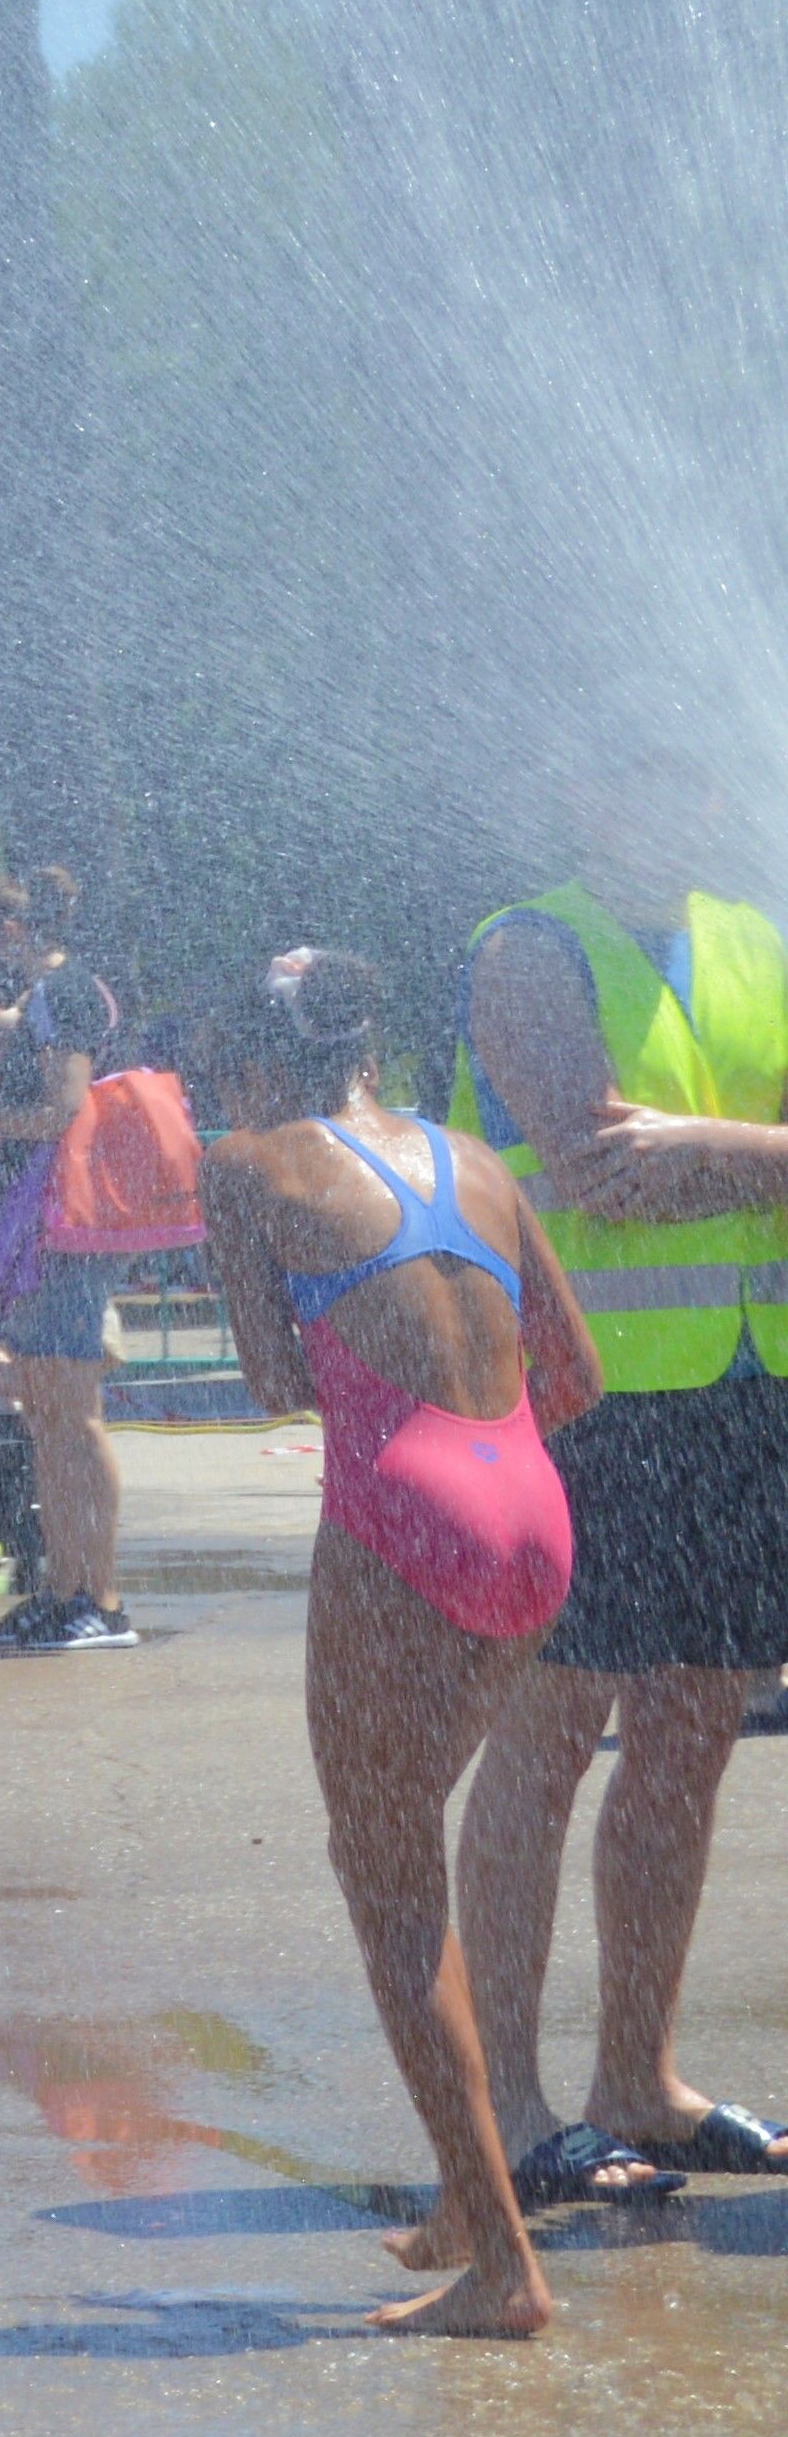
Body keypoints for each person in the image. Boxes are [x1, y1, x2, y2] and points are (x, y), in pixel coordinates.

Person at [196, 945, 593, 2336]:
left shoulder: (246, 1163)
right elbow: (578, 1370)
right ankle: (464, 2193)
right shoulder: (475, 1154)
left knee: (386, 1885)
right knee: (407, 1838)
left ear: (253, 1058)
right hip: (533, 1514)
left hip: (401, 1503)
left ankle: (503, 2267)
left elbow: (262, 1377)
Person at [446, 849, 788, 2210]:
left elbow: (674, 1162)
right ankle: (512, 2102)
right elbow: (601, 1173)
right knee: (547, 1736)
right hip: (590, 1397)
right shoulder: (534, 942)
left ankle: (638, 2080)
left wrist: (732, 1150)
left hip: (745, 1390)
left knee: (693, 1734)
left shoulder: (751, 933)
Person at [0, 877, 138, 1654]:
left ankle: (101, 1599)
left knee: (71, 1415)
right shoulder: (48, 996)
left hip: (63, 1225)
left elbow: (65, 1109)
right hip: (44, 1224)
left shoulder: (64, 993)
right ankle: (64, 1590)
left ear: (10, 933)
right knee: (54, 1420)